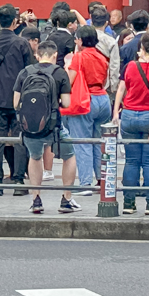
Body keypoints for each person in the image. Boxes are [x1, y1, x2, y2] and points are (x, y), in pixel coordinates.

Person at [14, 36, 73, 215]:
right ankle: (66, 199)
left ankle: (36, 199)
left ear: (37, 55)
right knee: (69, 155)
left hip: (30, 126)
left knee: (35, 156)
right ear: (55, 55)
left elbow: (16, 103)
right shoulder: (60, 72)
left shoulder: (25, 72)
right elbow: (67, 103)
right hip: (54, 127)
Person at [0, 4, 33, 196]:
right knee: (20, 138)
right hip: (18, 95)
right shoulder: (22, 44)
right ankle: (18, 180)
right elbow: (29, 68)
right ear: (15, 21)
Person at [111, 31, 149, 214]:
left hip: (129, 115)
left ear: (141, 47)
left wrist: (116, 111)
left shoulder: (131, 66)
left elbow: (121, 89)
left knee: (132, 161)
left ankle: (128, 203)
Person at [64, 25, 113, 198]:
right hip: (102, 98)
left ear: (81, 40)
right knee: (98, 142)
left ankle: (85, 183)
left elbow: (70, 80)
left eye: (77, 38)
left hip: (85, 100)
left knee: (82, 142)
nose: (75, 41)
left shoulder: (78, 57)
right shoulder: (102, 56)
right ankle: (101, 180)